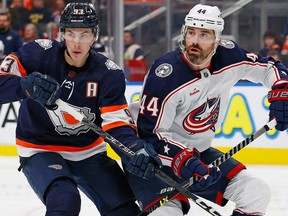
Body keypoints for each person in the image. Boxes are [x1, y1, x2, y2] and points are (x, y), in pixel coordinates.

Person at [0, 2, 171, 216]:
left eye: (84, 34)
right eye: (70, 34)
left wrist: (135, 149)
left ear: (95, 36)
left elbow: (117, 124)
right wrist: (24, 86)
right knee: (65, 202)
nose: (76, 43)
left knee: (124, 210)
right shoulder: (37, 54)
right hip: (39, 148)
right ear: (62, 33)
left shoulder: (108, 74)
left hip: (87, 152)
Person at [125, 4, 288, 216]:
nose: (195, 40)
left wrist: (282, 90)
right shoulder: (165, 75)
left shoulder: (230, 56)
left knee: (255, 192)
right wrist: (182, 159)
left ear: (217, 39)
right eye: (191, 32)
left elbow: (269, 68)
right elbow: (149, 136)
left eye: (204, 34)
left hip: (198, 155)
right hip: (153, 162)